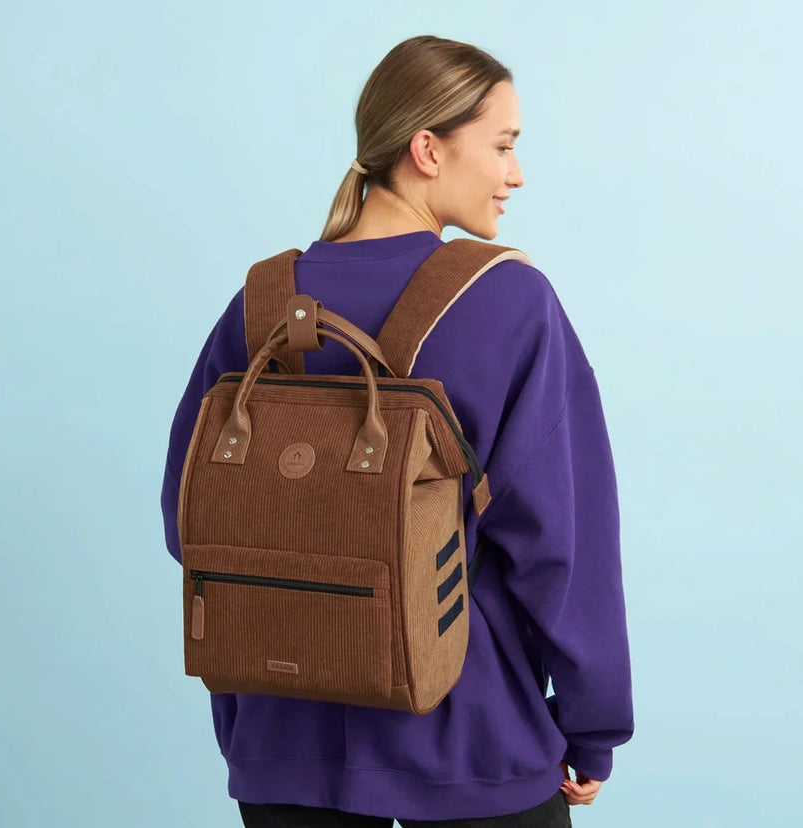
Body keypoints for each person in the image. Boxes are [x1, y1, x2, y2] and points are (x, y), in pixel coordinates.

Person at [161, 34, 633, 828]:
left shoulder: (260, 305)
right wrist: (592, 727)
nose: (516, 173)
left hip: (282, 743)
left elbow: (190, 524)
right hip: (469, 741)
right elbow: (564, 549)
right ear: (427, 149)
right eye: (503, 145)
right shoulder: (509, 302)